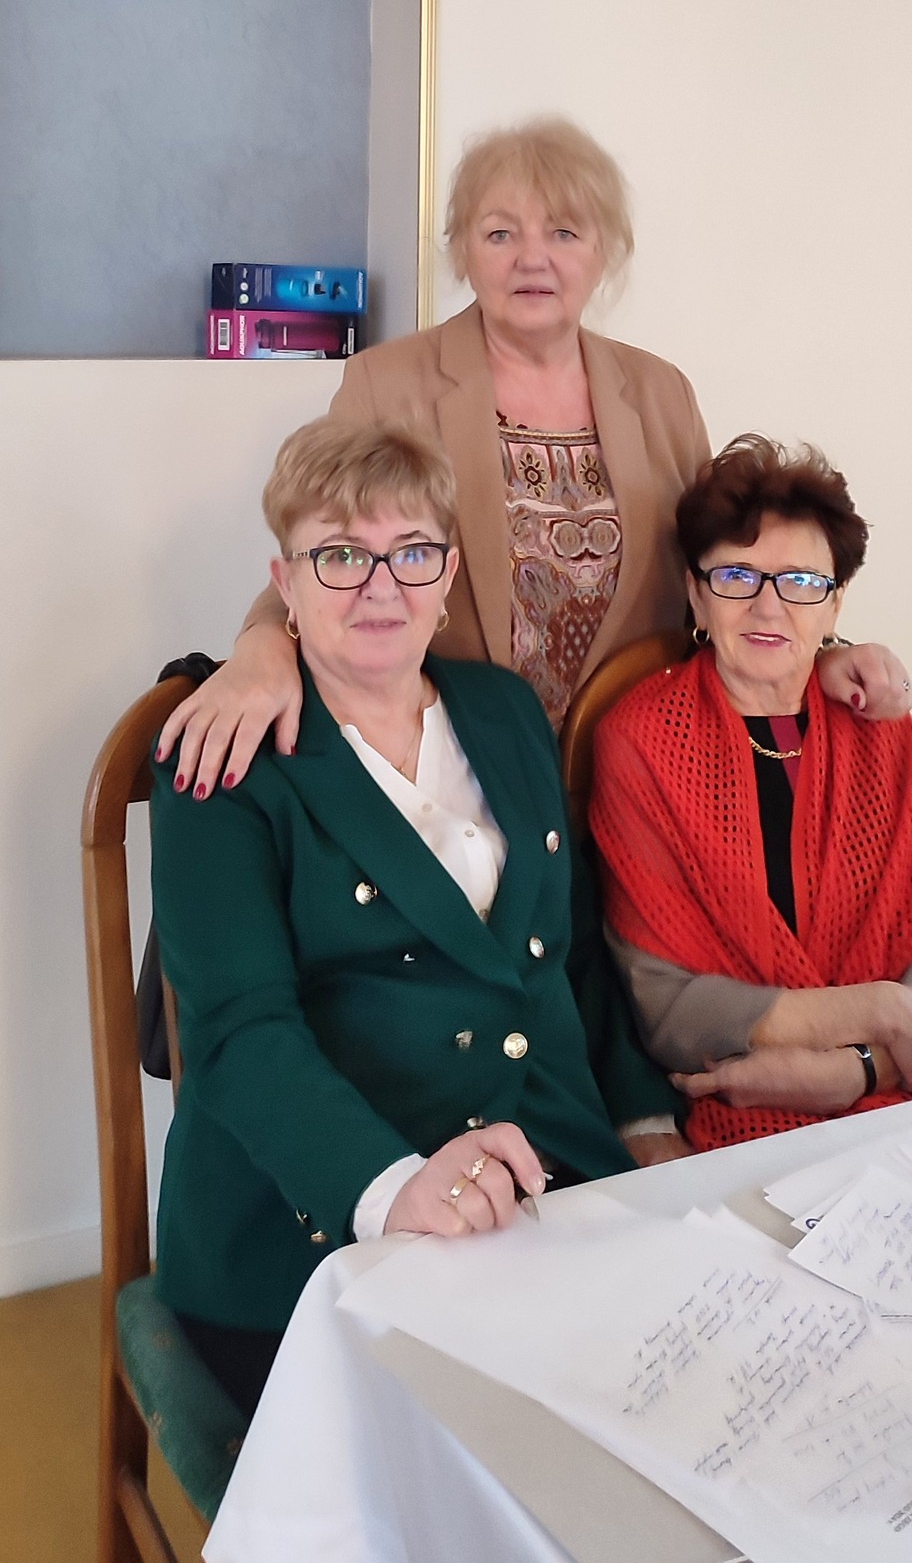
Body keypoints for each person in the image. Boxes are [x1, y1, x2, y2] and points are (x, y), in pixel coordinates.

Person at [158, 119, 912, 786]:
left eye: (563, 232)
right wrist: (260, 649)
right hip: (451, 776)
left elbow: (728, 572)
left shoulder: (662, 394)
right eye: (500, 233)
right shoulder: (387, 384)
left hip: (636, 778)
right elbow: (322, 558)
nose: (531, 259)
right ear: (463, 250)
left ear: (604, 252)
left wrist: (821, 652)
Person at [150, 418, 652, 1421]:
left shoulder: (503, 710)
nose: (380, 586)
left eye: (411, 552)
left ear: (447, 572)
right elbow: (238, 1031)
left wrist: (647, 1124)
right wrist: (391, 1189)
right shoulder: (225, 753)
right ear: (284, 582)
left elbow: (574, 956)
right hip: (318, 1226)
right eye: (340, 555)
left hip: (547, 1179)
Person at [591, 435, 912, 1151]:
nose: (768, 607)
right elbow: (667, 1004)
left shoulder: (878, 725)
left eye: (801, 582)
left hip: (906, 1100)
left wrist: (853, 1071)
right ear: (695, 595)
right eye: (736, 576)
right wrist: (877, 1010)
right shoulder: (640, 743)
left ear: (834, 607)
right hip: (734, 1119)